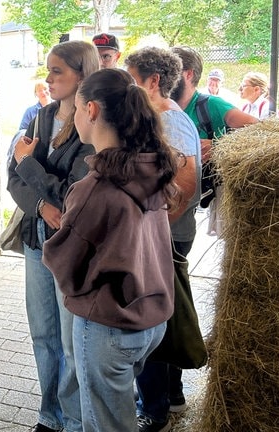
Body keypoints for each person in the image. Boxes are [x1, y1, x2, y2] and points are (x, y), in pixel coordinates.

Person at [42, 67, 179, 432]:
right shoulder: (152, 167)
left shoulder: (95, 189)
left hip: (109, 327)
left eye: (76, 107)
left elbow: (63, 263)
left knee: (107, 426)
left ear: (91, 111)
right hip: (152, 317)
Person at [7, 40, 99, 432]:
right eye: (48, 69)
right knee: (42, 332)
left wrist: (29, 164)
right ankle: (50, 415)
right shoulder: (40, 118)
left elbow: (70, 192)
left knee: (71, 338)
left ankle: (76, 421)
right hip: (36, 237)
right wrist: (43, 207)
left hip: (72, 246)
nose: (49, 77)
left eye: (57, 70)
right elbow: (14, 180)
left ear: (82, 74)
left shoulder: (93, 125)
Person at [125, 47, 201, 432]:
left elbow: (185, 182)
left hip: (166, 236)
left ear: (153, 81)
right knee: (166, 318)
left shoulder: (168, 121)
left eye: (132, 78)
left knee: (152, 316)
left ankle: (152, 410)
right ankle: (170, 396)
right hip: (167, 233)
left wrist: (152, 226)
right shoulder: (163, 117)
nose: (127, 87)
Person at [170, 46, 258, 237]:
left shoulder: (212, 105)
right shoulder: (161, 106)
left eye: (171, 70)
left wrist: (218, 145)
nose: (163, 77)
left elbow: (259, 130)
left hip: (196, 197)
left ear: (188, 74)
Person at [8, 80, 52, 162]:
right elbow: (22, 130)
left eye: (45, 89)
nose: (43, 92)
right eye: (39, 90)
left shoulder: (58, 108)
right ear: (36, 94)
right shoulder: (30, 111)